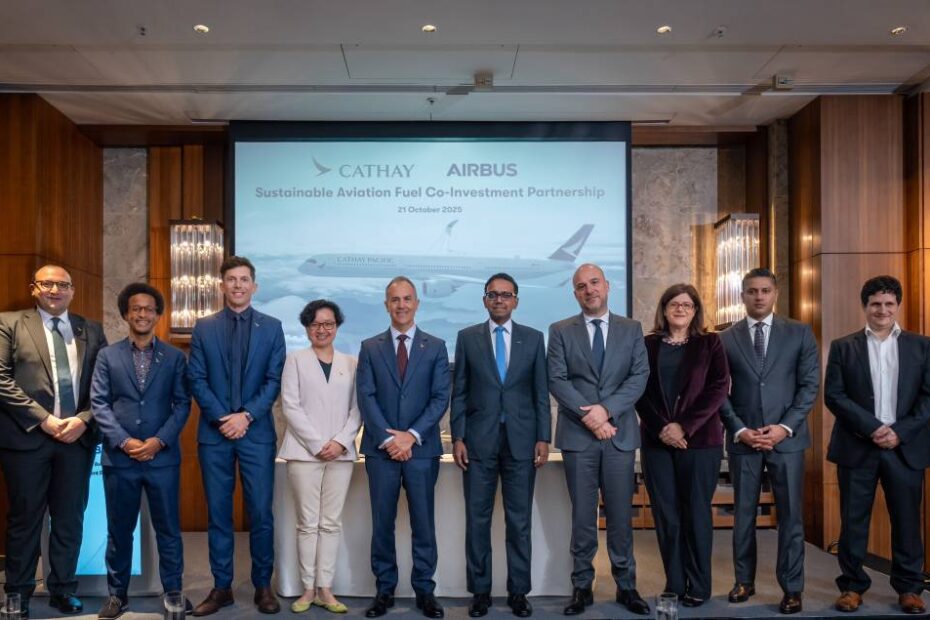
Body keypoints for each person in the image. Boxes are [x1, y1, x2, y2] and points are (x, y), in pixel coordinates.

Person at [0, 265, 107, 619]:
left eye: (63, 285)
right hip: (27, 439)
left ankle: (63, 589)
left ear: (73, 291)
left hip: (76, 440)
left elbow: (103, 387)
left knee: (69, 519)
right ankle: (18, 592)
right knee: (25, 518)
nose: (55, 290)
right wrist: (43, 419)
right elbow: (1, 379)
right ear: (34, 289)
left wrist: (83, 420)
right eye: (47, 284)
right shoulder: (10, 323)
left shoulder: (90, 329)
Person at [547, 263, 650, 616]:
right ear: (574, 293)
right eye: (580, 286)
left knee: (621, 517)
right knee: (582, 517)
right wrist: (591, 417)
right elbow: (557, 379)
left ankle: (626, 585)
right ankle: (581, 587)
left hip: (619, 435)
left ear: (607, 286)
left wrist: (605, 410)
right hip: (579, 437)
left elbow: (639, 377)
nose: (588, 290)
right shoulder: (560, 330)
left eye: (594, 283)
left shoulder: (631, 328)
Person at [824, 275, 930, 615]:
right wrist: (873, 429)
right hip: (858, 446)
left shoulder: (921, 345)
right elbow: (834, 395)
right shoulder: (843, 346)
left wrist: (898, 432)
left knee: (907, 522)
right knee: (853, 522)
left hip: (905, 447)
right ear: (865, 307)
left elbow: (928, 399)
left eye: (888, 304)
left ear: (897, 306)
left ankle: (910, 589)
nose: (882, 310)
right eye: (875, 304)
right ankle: (853, 587)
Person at [188, 256, 286, 616]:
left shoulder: (272, 327)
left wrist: (245, 416)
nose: (238, 285)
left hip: (256, 433)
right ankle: (221, 587)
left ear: (254, 286)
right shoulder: (204, 327)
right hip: (215, 437)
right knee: (218, 514)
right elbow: (196, 378)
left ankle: (263, 586)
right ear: (222, 285)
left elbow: (273, 380)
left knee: (261, 512)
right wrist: (222, 419)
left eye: (244, 279)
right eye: (231, 279)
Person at [719, 268, 819, 615]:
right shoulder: (725, 338)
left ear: (775, 294)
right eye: (751, 291)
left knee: (791, 517)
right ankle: (743, 582)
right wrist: (740, 429)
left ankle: (792, 589)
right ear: (741, 296)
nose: (758, 297)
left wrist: (784, 428)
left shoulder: (799, 332)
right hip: (743, 440)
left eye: (764, 291)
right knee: (743, 515)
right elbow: (719, 393)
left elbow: (809, 386)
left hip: (787, 441)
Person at [451, 273, 551, 618]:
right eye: (493, 295)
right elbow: (459, 391)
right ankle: (480, 591)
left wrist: (543, 437)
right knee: (477, 521)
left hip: (522, 444)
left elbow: (541, 393)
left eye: (506, 295)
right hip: (478, 443)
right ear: (484, 300)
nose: (499, 300)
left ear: (516, 301)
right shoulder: (467, 338)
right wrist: (459, 436)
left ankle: (519, 591)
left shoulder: (534, 339)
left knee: (519, 521)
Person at [91, 283, 192, 619]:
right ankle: (117, 595)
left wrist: (158, 441)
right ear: (125, 314)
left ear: (158, 315)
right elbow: (100, 404)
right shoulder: (108, 356)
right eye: (136, 308)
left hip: (162, 458)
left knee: (168, 529)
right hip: (120, 459)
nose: (143, 314)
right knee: (119, 531)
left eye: (149, 309)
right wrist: (125, 441)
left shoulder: (176, 357)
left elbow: (181, 405)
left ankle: (173, 592)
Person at [356, 276, 451, 619]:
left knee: (423, 524)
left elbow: (441, 397)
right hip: (381, 452)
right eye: (394, 299)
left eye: (407, 299)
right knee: (382, 523)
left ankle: (425, 591)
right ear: (386, 305)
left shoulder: (436, 346)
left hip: (422, 451)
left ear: (417, 303)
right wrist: (388, 438)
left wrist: (410, 435)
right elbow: (365, 396)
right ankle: (384, 592)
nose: (401, 305)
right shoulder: (370, 347)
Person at [636, 284, 729, 607]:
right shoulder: (647, 345)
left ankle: (699, 585)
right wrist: (663, 428)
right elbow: (638, 390)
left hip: (700, 442)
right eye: (674, 304)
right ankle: (674, 581)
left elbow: (718, 388)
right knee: (667, 515)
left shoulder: (710, 342)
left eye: (687, 305)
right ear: (663, 310)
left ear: (695, 311)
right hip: (657, 442)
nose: (680, 309)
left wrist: (683, 426)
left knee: (696, 514)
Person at [278, 299, 361, 615]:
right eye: (315, 324)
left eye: (328, 323)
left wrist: (340, 443)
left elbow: (357, 409)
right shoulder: (295, 360)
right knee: (307, 523)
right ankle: (307, 587)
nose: (322, 329)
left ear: (337, 326)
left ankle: (326, 588)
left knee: (330, 523)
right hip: (303, 454)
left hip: (341, 455)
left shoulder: (351, 363)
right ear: (307, 328)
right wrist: (317, 444)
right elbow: (291, 406)